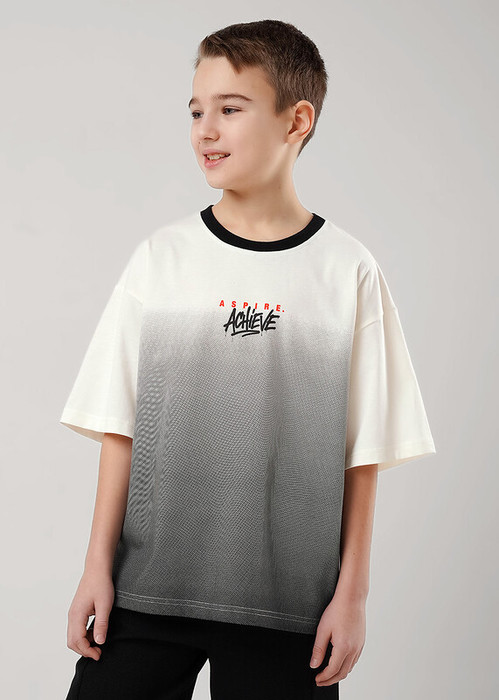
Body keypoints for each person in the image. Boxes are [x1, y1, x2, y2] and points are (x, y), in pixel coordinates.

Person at [61, 18, 436, 700]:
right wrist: (95, 568)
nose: (205, 131)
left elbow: (363, 453)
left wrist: (352, 596)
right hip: (147, 593)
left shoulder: (346, 272)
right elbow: (121, 427)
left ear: (297, 120)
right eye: (195, 111)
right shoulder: (161, 260)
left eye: (230, 110)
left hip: (289, 610)